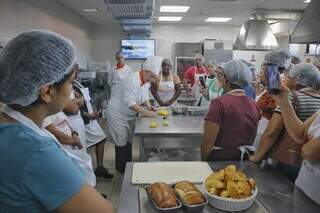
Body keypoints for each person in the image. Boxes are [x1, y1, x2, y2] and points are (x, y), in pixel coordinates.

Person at [0, 30, 112, 212]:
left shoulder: (8, 126)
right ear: (46, 93)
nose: (71, 91)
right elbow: (102, 211)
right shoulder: (34, 150)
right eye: (70, 83)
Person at [249, 64, 320, 181]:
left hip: (285, 161)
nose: (285, 80)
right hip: (303, 166)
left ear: (296, 81)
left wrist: (257, 157)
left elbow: (271, 132)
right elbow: (302, 133)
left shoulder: (291, 97)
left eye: (288, 77)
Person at [106, 56, 163, 173]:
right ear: (146, 72)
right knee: (121, 141)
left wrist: (149, 106)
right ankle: (122, 169)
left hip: (130, 114)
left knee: (128, 140)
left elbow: (144, 96)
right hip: (118, 113)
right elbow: (130, 103)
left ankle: (129, 165)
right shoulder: (132, 79)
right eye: (152, 77)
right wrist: (147, 113)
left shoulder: (145, 80)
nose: (152, 81)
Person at [272, 80, 320, 205]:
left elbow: (310, 153)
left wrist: (306, 146)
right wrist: (283, 101)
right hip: (305, 187)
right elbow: (301, 133)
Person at [201, 60, 260, 161]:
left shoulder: (219, 103)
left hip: (220, 159)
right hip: (244, 159)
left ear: (227, 80)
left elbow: (208, 143)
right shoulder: (253, 104)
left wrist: (203, 164)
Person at [73, 69, 113, 179]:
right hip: (84, 120)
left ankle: (99, 168)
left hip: (91, 117)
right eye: (75, 70)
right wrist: (88, 115)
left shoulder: (77, 83)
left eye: (78, 69)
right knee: (87, 145)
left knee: (101, 138)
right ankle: (90, 173)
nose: (77, 71)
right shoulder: (69, 87)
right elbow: (75, 107)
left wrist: (93, 110)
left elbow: (86, 101)